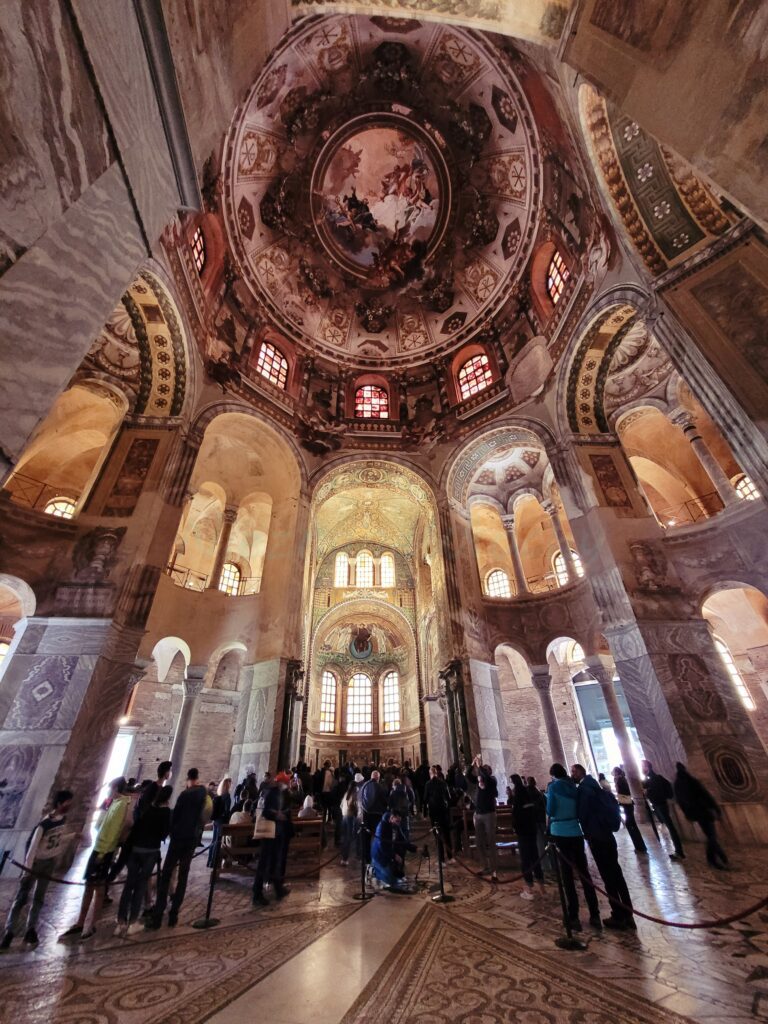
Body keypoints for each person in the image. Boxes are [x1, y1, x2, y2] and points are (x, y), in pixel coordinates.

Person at [61, 777, 131, 940]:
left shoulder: (122, 805)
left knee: (98, 889)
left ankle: (91, 925)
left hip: (104, 851)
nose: (108, 792)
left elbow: (114, 830)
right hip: (99, 848)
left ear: (116, 789)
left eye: (110, 789)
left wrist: (102, 854)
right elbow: (102, 825)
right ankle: (80, 923)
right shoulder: (114, 803)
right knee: (89, 886)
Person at [2, 790, 74, 950]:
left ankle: (31, 929)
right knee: (21, 898)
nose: (69, 806)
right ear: (59, 803)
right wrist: (27, 870)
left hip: (49, 863)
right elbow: (32, 847)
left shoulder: (63, 820)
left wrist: (74, 836)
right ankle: (10, 931)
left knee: (39, 898)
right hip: (35, 863)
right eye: (67, 803)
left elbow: (59, 839)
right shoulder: (44, 824)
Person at [571, 764, 635, 931]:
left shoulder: (584, 789)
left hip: (596, 835)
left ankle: (618, 914)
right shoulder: (596, 786)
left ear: (579, 773)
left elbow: (582, 813)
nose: (572, 774)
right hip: (607, 834)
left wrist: (583, 829)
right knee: (617, 872)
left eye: (573, 771)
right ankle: (628, 913)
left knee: (607, 875)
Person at [149, 768, 212, 928]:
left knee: (167, 874)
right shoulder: (203, 794)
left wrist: (171, 831)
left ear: (188, 778)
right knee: (183, 875)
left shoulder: (185, 795)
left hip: (178, 838)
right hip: (191, 838)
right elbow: (205, 815)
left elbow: (175, 815)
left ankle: (158, 913)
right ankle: (174, 914)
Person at [546, 763, 601, 932]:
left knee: (567, 876)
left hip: (560, 831)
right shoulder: (575, 787)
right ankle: (594, 914)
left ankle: (573, 916)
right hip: (576, 831)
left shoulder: (554, 787)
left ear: (553, 775)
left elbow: (551, 810)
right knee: (584, 873)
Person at [115, 785, 172, 936]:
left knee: (129, 885)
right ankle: (133, 921)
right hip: (150, 850)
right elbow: (164, 833)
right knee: (141, 885)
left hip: (135, 849)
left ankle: (120, 921)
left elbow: (136, 826)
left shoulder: (146, 809)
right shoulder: (165, 812)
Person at [673, 762, 729, 869]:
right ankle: (712, 859)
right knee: (711, 836)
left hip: (695, 813)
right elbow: (706, 795)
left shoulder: (677, 785)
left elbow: (680, 802)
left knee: (710, 835)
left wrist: (687, 814)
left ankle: (721, 856)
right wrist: (716, 809)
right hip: (703, 811)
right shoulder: (691, 781)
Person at [252, 774, 293, 906]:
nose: (287, 784)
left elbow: (287, 809)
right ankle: (257, 893)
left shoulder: (284, 794)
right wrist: (277, 814)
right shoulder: (270, 793)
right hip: (270, 832)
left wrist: (284, 813)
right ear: (280, 782)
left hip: (280, 832)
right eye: (286, 782)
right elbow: (265, 812)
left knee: (277, 861)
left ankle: (278, 888)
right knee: (264, 862)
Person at [509, 774, 544, 900]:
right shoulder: (528, 795)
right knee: (534, 856)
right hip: (531, 829)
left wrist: (515, 827)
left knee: (525, 859)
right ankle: (542, 885)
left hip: (523, 831)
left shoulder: (518, 797)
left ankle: (529, 889)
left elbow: (516, 815)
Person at [641, 759, 685, 860]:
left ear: (647, 767)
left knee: (671, 827)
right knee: (670, 827)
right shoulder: (650, 778)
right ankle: (679, 851)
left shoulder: (654, 778)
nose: (642, 768)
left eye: (643, 766)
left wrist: (648, 792)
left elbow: (657, 793)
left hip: (660, 805)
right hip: (659, 805)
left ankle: (679, 851)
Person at [370, 811, 415, 889]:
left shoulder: (396, 826)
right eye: (397, 821)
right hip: (380, 856)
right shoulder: (382, 827)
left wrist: (414, 849)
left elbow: (403, 841)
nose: (398, 824)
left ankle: (391, 870)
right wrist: (394, 856)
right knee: (390, 881)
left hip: (389, 854)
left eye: (399, 821)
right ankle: (372, 870)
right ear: (391, 818)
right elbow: (382, 846)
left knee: (394, 879)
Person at [472, 757, 499, 881]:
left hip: (489, 814)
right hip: (478, 815)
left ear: (489, 772)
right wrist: (472, 765)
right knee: (479, 842)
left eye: (485, 770)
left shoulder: (492, 781)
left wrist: (480, 765)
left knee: (491, 842)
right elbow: (467, 776)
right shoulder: (480, 782)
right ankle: (485, 866)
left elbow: (486, 777)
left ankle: (494, 870)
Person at [612, 766, 647, 853]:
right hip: (627, 803)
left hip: (627, 803)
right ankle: (640, 846)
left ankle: (640, 846)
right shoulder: (622, 779)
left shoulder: (620, 780)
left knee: (631, 824)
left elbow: (623, 791)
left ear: (616, 772)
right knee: (632, 824)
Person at [423, 765, 454, 863]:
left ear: (430, 774)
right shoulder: (443, 783)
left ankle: (441, 860)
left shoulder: (428, 784)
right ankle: (450, 857)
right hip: (443, 811)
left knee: (437, 835)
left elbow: (425, 799)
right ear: (436, 773)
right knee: (447, 834)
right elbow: (449, 798)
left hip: (434, 812)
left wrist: (425, 812)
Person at [360, 770, 388, 864]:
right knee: (378, 836)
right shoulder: (379, 786)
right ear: (378, 778)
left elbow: (360, 799)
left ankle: (366, 858)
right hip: (376, 815)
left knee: (366, 838)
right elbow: (384, 801)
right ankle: (378, 857)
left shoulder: (364, 785)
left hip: (366, 815)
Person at [208, 776, 232, 867]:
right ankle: (214, 863)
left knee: (214, 840)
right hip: (221, 821)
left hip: (216, 820)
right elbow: (226, 811)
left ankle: (210, 861)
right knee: (218, 842)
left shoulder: (220, 795)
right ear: (228, 785)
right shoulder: (227, 796)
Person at [340, 775, 362, 865]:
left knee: (346, 837)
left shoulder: (346, 794)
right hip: (351, 817)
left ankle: (344, 857)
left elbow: (341, 805)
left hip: (344, 817)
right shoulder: (354, 794)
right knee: (352, 837)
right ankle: (356, 855)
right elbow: (355, 806)